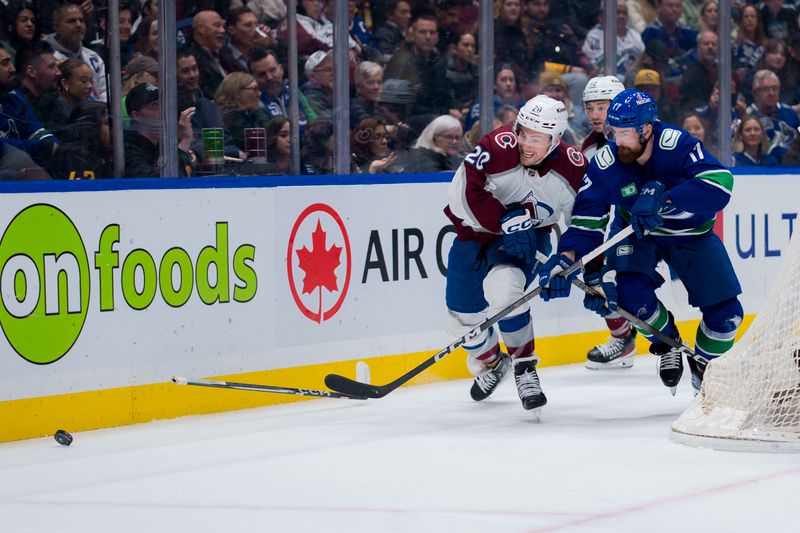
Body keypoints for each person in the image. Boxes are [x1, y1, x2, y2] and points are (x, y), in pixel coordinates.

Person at [538, 89, 743, 395]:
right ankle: (666, 342)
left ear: (646, 129)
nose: (616, 140)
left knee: (728, 315)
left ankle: (704, 370)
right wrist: (566, 258)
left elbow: (720, 184)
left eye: (623, 133)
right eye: (613, 131)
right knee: (630, 297)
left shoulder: (676, 144)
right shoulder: (607, 162)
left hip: (690, 235)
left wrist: (667, 198)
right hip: (637, 234)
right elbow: (588, 219)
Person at [443, 94, 587, 412]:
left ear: (557, 138)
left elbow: (584, 221)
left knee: (504, 290)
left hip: (527, 240)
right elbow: (461, 192)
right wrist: (503, 219)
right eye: (523, 132)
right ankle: (492, 361)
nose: (525, 143)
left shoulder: (573, 168)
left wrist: (570, 259)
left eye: (537, 138)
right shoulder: (495, 145)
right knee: (460, 314)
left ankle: (524, 368)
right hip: (475, 234)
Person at [578, 75, 638, 369]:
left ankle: (669, 343)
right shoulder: (590, 149)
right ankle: (623, 336)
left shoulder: (645, 133)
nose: (594, 115)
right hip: (622, 222)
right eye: (590, 108)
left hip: (660, 220)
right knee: (603, 278)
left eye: (602, 107)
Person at [124, 83, 195, 178]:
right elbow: (152, 185)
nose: (163, 110)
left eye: (164, 104)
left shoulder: (164, 145)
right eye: (155, 105)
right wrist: (184, 143)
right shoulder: (128, 149)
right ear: (136, 115)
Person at [43, 3, 107, 101]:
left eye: (81, 21)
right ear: (56, 27)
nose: (78, 25)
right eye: (71, 21)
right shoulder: (45, 59)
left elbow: (104, 92)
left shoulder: (93, 58)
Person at [215, 72, 269, 154]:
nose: (259, 93)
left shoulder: (252, 115)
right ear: (237, 92)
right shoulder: (231, 119)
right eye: (254, 89)